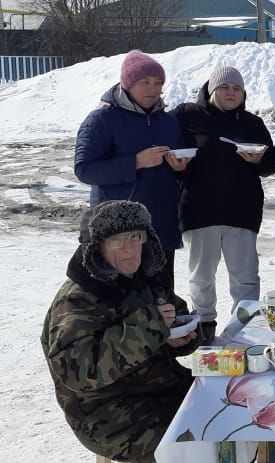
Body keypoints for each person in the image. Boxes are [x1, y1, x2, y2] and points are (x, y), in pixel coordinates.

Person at [41, 201, 275, 463]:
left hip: (157, 386)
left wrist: (185, 335)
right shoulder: (79, 300)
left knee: (231, 402)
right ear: (96, 248)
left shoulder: (141, 277)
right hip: (105, 411)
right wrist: (152, 327)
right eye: (117, 241)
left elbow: (174, 315)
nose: (129, 248)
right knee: (186, 434)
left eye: (135, 236)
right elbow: (80, 372)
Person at [172, 65, 275, 344]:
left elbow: (271, 163)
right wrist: (177, 166)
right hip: (199, 209)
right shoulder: (187, 115)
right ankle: (205, 325)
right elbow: (168, 149)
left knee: (245, 276)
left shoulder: (252, 123)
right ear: (211, 89)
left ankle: (244, 329)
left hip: (241, 210)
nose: (231, 93)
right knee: (201, 275)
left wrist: (258, 161)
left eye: (237, 89)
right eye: (224, 88)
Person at [75, 50, 190, 295]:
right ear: (127, 84)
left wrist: (179, 169)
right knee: (118, 302)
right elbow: (84, 169)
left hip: (160, 227)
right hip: (117, 231)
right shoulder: (102, 119)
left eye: (158, 83)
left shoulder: (168, 122)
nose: (153, 89)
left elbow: (177, 167)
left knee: (161, 300)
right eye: (144, 82)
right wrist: (135, 162)